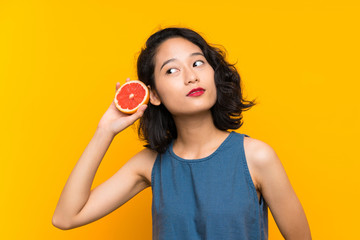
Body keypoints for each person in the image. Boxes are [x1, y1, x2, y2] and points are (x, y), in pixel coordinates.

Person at [52, 27, 311, 239]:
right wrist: (104, 131)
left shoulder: (256, 157)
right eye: (171, 70)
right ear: (153, 94)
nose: (191, 77)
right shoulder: (149, 164)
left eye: (198, 63)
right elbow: (65, 217)